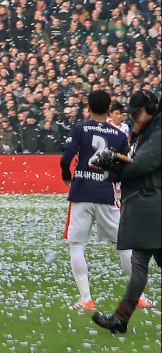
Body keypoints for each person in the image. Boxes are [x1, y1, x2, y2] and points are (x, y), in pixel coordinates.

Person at [91, 89, 160, 333]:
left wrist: (115, 164)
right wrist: (113, 166)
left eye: (137, 114)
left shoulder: (158, 132)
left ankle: (121, 320)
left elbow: (143, 163)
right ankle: (120, 319)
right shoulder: (147, 131)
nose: (133, 119)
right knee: (139, 263)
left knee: (140, 263)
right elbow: (137, 161)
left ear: (150, 110)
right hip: (150, 207)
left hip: (154, 207)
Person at [60, 90, 136, 310]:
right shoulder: (120, 135)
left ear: (88, 108)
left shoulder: (79, 129)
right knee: (123, 245)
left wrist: (67, 174)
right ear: (109, 110)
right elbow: (124, 167)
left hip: (82, 192)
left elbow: (66, 158)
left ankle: (86, 298)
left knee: (76, 245)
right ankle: (137, 295)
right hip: (106, 193)